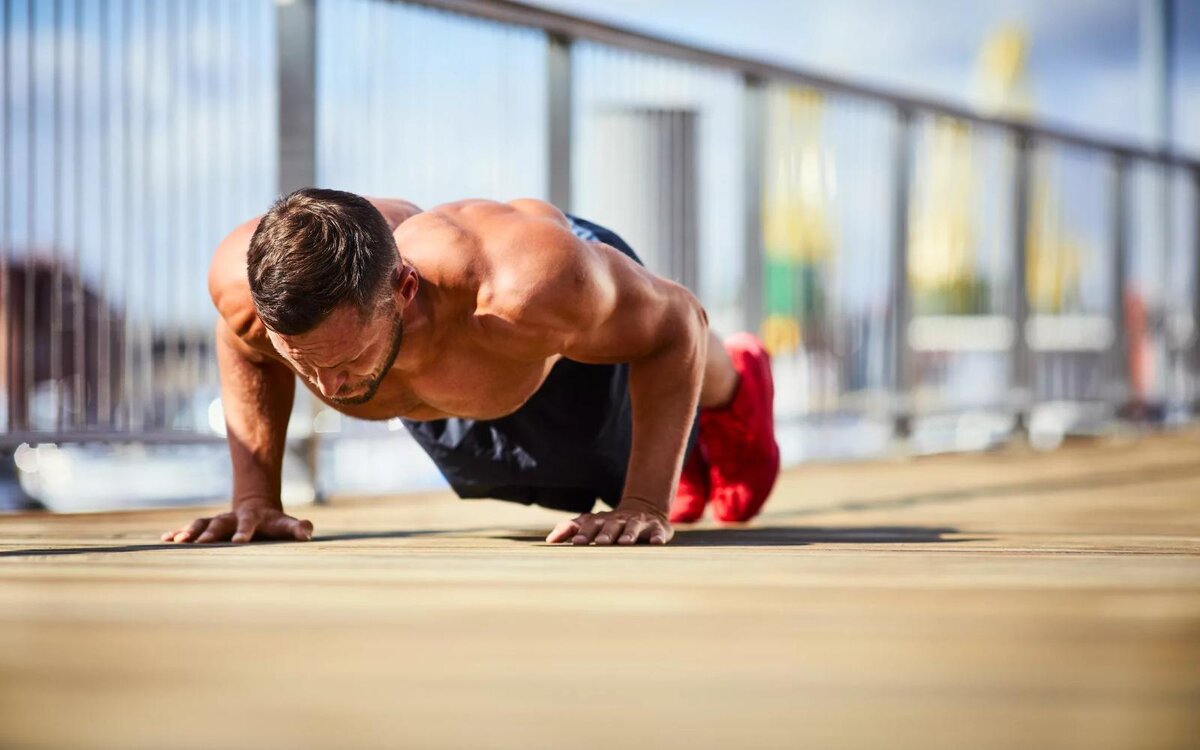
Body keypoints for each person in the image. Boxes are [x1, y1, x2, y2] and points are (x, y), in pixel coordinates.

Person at [163, 189, 778, 546]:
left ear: (403, 288)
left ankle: (740, 381)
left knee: (661, 429)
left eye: (345, 360)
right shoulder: (250, 289)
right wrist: (255, 498)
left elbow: (679, 326)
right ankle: (686, 455)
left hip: (532, 338)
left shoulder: (528, 291)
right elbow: (242, 342)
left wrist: (645, 501)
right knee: (577, 471)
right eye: (305, 365)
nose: (329, 390)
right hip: (457, 390)